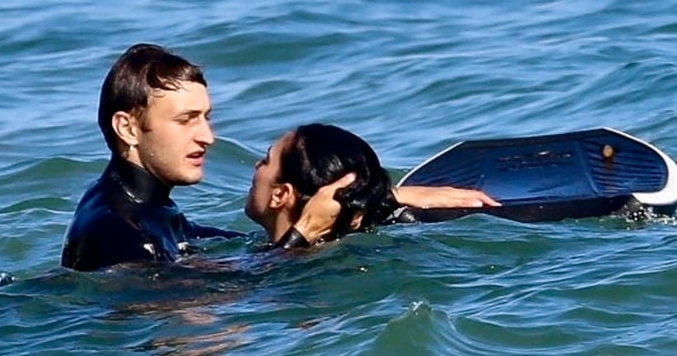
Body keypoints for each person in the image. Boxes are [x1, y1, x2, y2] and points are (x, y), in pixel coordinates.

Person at [61, 44, 352, 271]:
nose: (207, 137)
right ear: (128, 128)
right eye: (186, 120)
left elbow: (227, 249)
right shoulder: (114, 228)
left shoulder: (151, 209)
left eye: (205, 118)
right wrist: (299, 237)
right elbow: (168, 308)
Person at [245, 122, 498, 244]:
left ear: (281, 195)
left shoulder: (264, 271)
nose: (257, 165)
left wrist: (305, 232)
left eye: (266, 160)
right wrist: (388, 197)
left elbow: (268, 284)